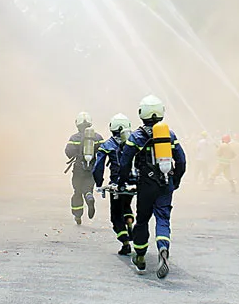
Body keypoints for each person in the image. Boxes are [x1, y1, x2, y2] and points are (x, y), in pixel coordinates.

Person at [118, 95, 187, 279]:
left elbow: (125, 161)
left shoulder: (136, 136)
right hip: (166, 184)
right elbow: (181, 160)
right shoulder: (170, 136)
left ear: (141, 113)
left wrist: (124, 180)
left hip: (146, 185)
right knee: (163, 218)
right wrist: (176, 180)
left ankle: (140, 256)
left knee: (142, 220)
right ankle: (163, 249)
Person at [92, 113, 138, 255]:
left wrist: (99, 183)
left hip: (117, 184)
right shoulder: (135, 142)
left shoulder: (107, 145)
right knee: (127, 205)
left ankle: (125, 243)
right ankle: (130, 221)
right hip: (133, 181)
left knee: (116, 214)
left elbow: (98, 166)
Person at [64, 112, 104, 225]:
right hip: (92, 169)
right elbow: (104, 151)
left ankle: (78, 216)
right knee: (88, 188)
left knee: (77, 191)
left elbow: (68, 152)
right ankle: (89, 196)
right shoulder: (97, 137)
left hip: (78, 169)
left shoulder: (74, 138)